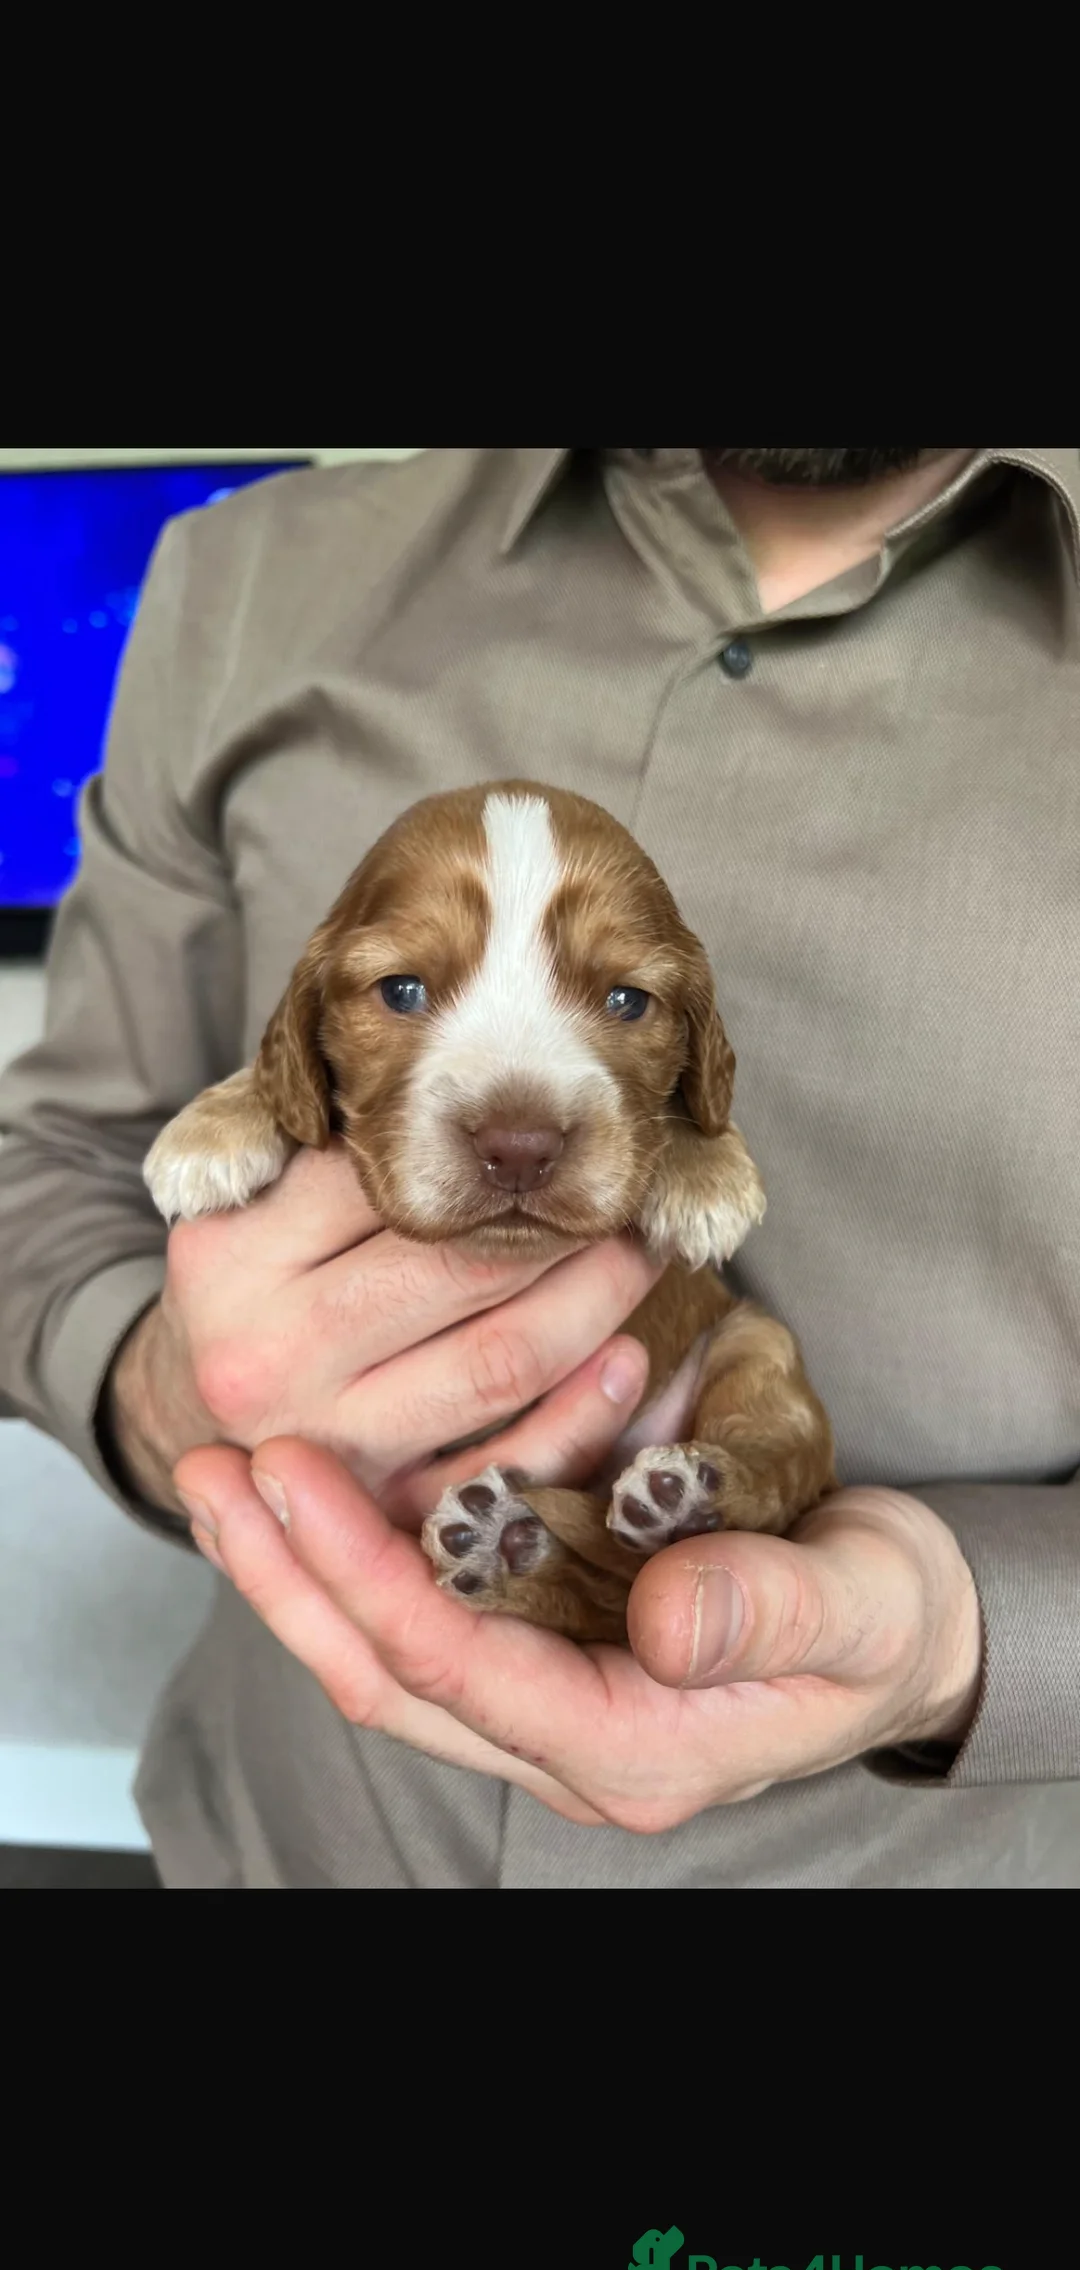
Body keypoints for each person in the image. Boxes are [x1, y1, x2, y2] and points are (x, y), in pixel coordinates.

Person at [1, 446, 1076, 1889]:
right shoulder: (242, 572)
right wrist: (165, 1381)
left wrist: (963, 1633)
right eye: (399, 990)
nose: (517, 1126)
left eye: (627, 1001)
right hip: (282, 1844)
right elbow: (54, 1164)